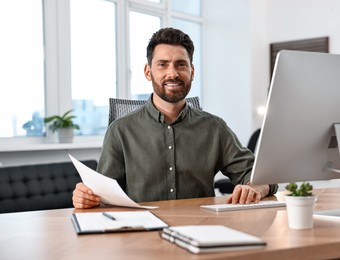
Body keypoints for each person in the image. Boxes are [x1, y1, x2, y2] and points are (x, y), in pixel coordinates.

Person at [72, 27, 278, 209]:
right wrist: (88, 198)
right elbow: (104, 195)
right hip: (142, 236)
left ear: (192, 71)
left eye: (181, 64)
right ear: (148, 71)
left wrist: (256, 188)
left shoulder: (214, 127)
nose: (173, 73)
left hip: (203, 232)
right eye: (162, 64)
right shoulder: (120, 131)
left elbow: (260, 176)